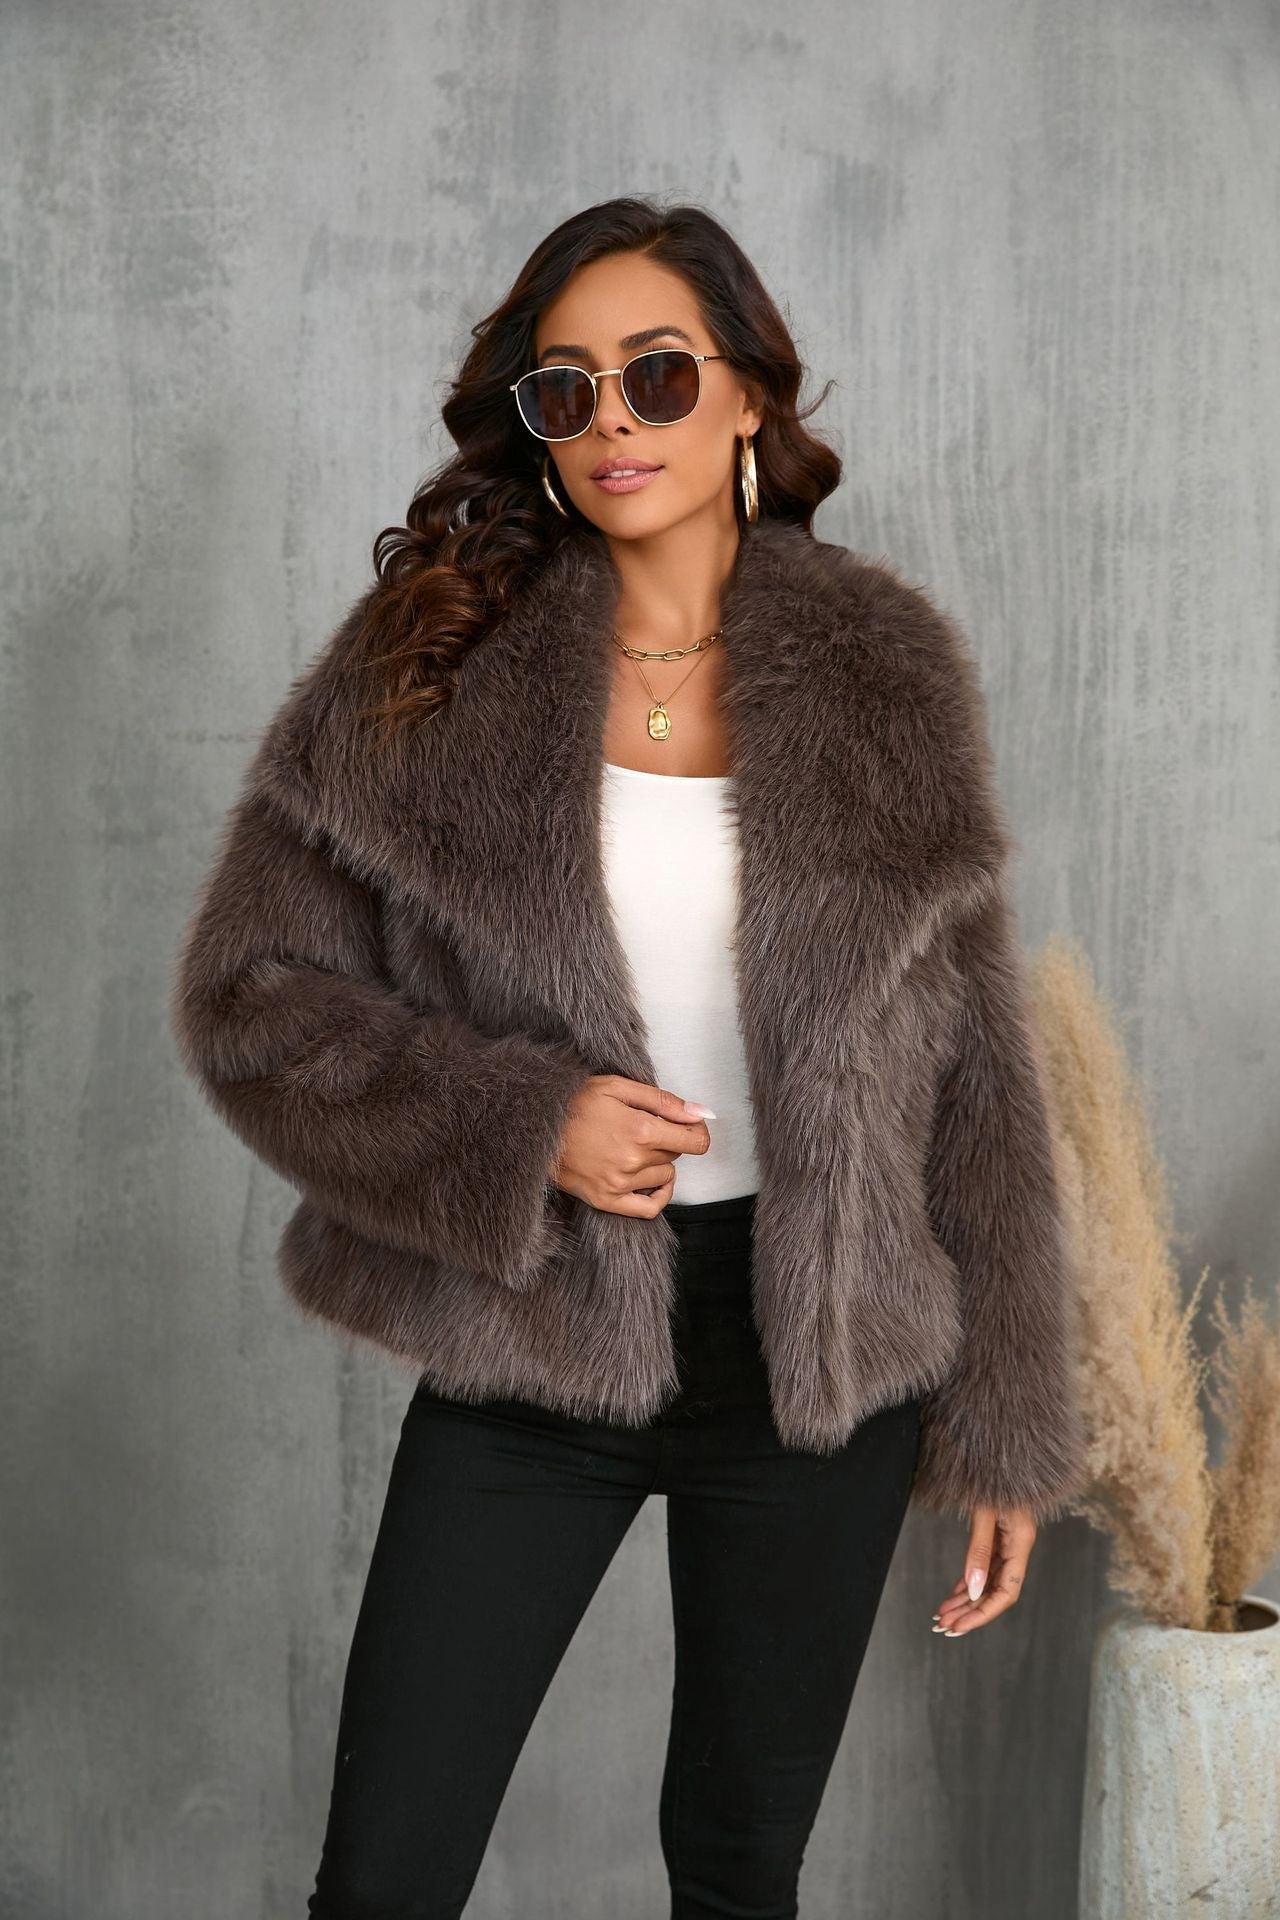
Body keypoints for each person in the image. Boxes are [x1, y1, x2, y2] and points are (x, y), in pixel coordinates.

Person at [170, 195, 1086, 1919]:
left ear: (748, 395)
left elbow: (979, 1069)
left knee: (739, 1874)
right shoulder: (429, 666)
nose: (611, 422)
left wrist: (1010, 1425)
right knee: (384, 1879)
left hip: (821, 1356)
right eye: (565, 390)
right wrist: (526, 1127)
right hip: (533, 1337)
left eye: (657, 375)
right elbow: (252, 1000)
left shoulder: (886, 671)